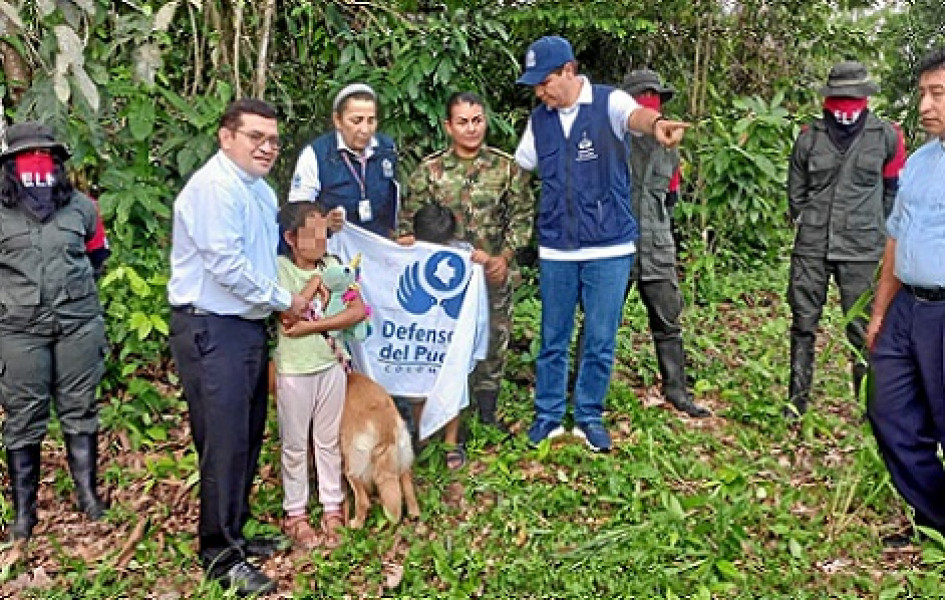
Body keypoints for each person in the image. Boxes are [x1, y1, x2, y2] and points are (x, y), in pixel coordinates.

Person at [514, 35, 689, 452]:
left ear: (569, 71)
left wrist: (657, 125)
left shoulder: (608, 103)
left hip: (608, 245)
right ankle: (548, 415)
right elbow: (520, 167)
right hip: (557, 246)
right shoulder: (539, 120)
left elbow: (638, 119)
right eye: (536, 85)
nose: (540, 92)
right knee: (553, 335)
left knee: (599, 337)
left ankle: (589, 415)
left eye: (545, 82)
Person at [168, 98, 310, 596]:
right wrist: (284, 300)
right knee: (223, 440)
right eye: (255, 137)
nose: (267, 147)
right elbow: (226, 266)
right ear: (226, 137)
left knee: (247, 434)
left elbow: (263, 260)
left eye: (273, 139)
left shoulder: (260, 192)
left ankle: (236, 529)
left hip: (246, 327)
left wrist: (288, 297)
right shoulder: (214, 188)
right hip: (211, 326)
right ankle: (219, 553)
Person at [398, 91, 534, 443]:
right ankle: (435, 417)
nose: (471, 128)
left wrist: (503, 258)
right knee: (440, 344)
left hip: (490, 274)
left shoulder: (506, 168)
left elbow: (522, 219)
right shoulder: (430, 172)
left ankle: (486, 412)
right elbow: (407, 224)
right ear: (449, 126)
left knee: (493, 340)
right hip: (442, 284)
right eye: (463, 122)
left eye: (477, 120)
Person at [0, 122, 110, 550]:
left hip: (77, 323)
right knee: (24, 417)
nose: (37, 169)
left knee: (80, 407)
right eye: (27, 161)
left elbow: (97, 257)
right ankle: (25, 512)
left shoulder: (83, 208)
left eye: (46, 160)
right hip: (18, 328)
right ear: (10, 168)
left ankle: (88, 495)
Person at [786, 60, 906, 417]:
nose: (846, 106)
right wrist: (810, 220)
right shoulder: (809, 137)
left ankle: (870, 407)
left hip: (863, 249)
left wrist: (875, 228)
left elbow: (892, 191)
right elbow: (796, 193)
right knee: (803, 322)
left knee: (864, 328)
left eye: (853, 97)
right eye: (839, 98)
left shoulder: (886, 136)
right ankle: (796, 402)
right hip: (812, 247)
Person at [866, 47, 945, 543]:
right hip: (905, 309)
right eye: (923, 94)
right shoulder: (918, 162)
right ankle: (937, 519)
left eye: (938, 94)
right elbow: (896, 238)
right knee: (891, 415)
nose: (925, 106)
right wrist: (879, 312)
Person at [274, 201, 367, 549]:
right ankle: (295, 513)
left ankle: (332, 508)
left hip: (331, 366)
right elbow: (287, 317)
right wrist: (314, 283)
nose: (320, 240)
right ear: (291, 238)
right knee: (295, 445)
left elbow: (357, 310)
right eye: (310, 234)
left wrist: (318, 325)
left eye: (323, 232)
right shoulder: (281, 269)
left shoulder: (337, 267)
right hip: (295, 371)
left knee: (327, 442)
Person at [620, 69, 710, 419]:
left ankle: (677, 392)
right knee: (601, 322)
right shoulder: (614, 142)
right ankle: (583, 394)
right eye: (644, 96)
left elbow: (669, 200)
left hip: (657, 247)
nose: (651, 102)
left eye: (654, 97)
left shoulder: (670, 150)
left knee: (668, 323)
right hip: (618, 245)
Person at [401, 201, 493, 469]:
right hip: (418, 334)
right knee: (417, 385)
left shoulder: (464, 253)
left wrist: (483, 261)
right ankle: (424, 438)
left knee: (452, 384)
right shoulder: (408, 248)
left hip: (450, 334)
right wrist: (398, 249)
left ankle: (451, 442)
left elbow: (481, 269)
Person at [288, 83, 398, 238]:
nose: (365, 129)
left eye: (371, 120)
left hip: (377, 248)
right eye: (356, 121)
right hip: (332, 251)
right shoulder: (315, 154)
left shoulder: (386, 149)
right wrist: (324, 223)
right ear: (337, 120)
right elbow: (295, 213)